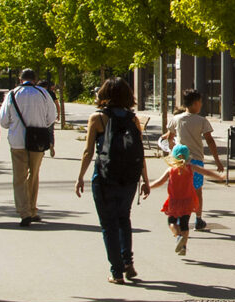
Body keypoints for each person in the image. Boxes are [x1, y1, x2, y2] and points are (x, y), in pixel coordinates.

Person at [76, 77, 152, 284]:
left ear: (104, 94)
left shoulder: (97, 118)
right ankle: (127, 262)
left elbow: (88, 151)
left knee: (108, 224)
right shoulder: (133, 119)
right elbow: (140, 151)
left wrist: (80, 177)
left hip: (104, 177)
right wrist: (145, 180)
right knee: (124, 218)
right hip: (129, 178)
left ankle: (116, 271)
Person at [0, 68, 60, 227]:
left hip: (17, 141)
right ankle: (32, 209)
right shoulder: (43, 93)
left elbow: (3, 120)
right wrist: (40, 124)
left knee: (19, 177)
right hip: (37, 141)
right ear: (35, 79)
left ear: (20, 79)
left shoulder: (12, 94)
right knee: (34, 175)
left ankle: (23, 211)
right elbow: (52, 117)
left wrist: (14, 125)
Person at [151, 142, 225, 257]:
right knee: (184, 224)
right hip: (188, 202)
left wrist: (148, 186)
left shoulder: (170, 170)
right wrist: (218, 176)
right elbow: (205, 172)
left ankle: (178, 236)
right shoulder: (190, 168)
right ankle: (183, 246)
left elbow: (160, 182)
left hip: (174, 202)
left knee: (172, 222)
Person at [164, 89, 223, 231]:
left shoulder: (176, 119)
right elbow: (210, 141)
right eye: (200, 102)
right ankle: (198, 219)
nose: (201, 105)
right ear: (195, 103)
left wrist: (172, 150)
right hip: (196, 161)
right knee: (197, 191)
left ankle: (178, 216)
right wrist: (217, 160)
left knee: (179, 190)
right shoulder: (202, 121)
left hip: (179, 162)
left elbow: (170, 138)